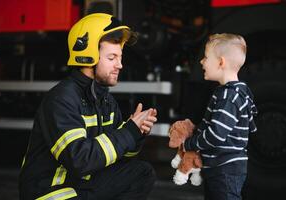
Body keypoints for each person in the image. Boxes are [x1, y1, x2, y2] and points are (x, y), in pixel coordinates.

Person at [19, 13, 157, 200]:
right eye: (111, 58)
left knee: (141, 173)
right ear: (88, 56)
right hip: (51, 192)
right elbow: (80, 161)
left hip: (80, 185)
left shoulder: (106, 101)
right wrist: (128, 132)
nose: (120, 65)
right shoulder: (62, 99)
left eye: (120, 57)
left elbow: (117, 155)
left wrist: (137, 133)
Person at [182, 33, 258, 200]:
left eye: (206, 57)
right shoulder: (238, 92)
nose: (201, 61)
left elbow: (216, 134)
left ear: (221, 62)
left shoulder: (228, 96)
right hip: (224, 167)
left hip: (224, 169)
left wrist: (189, 144)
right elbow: (251, 125)